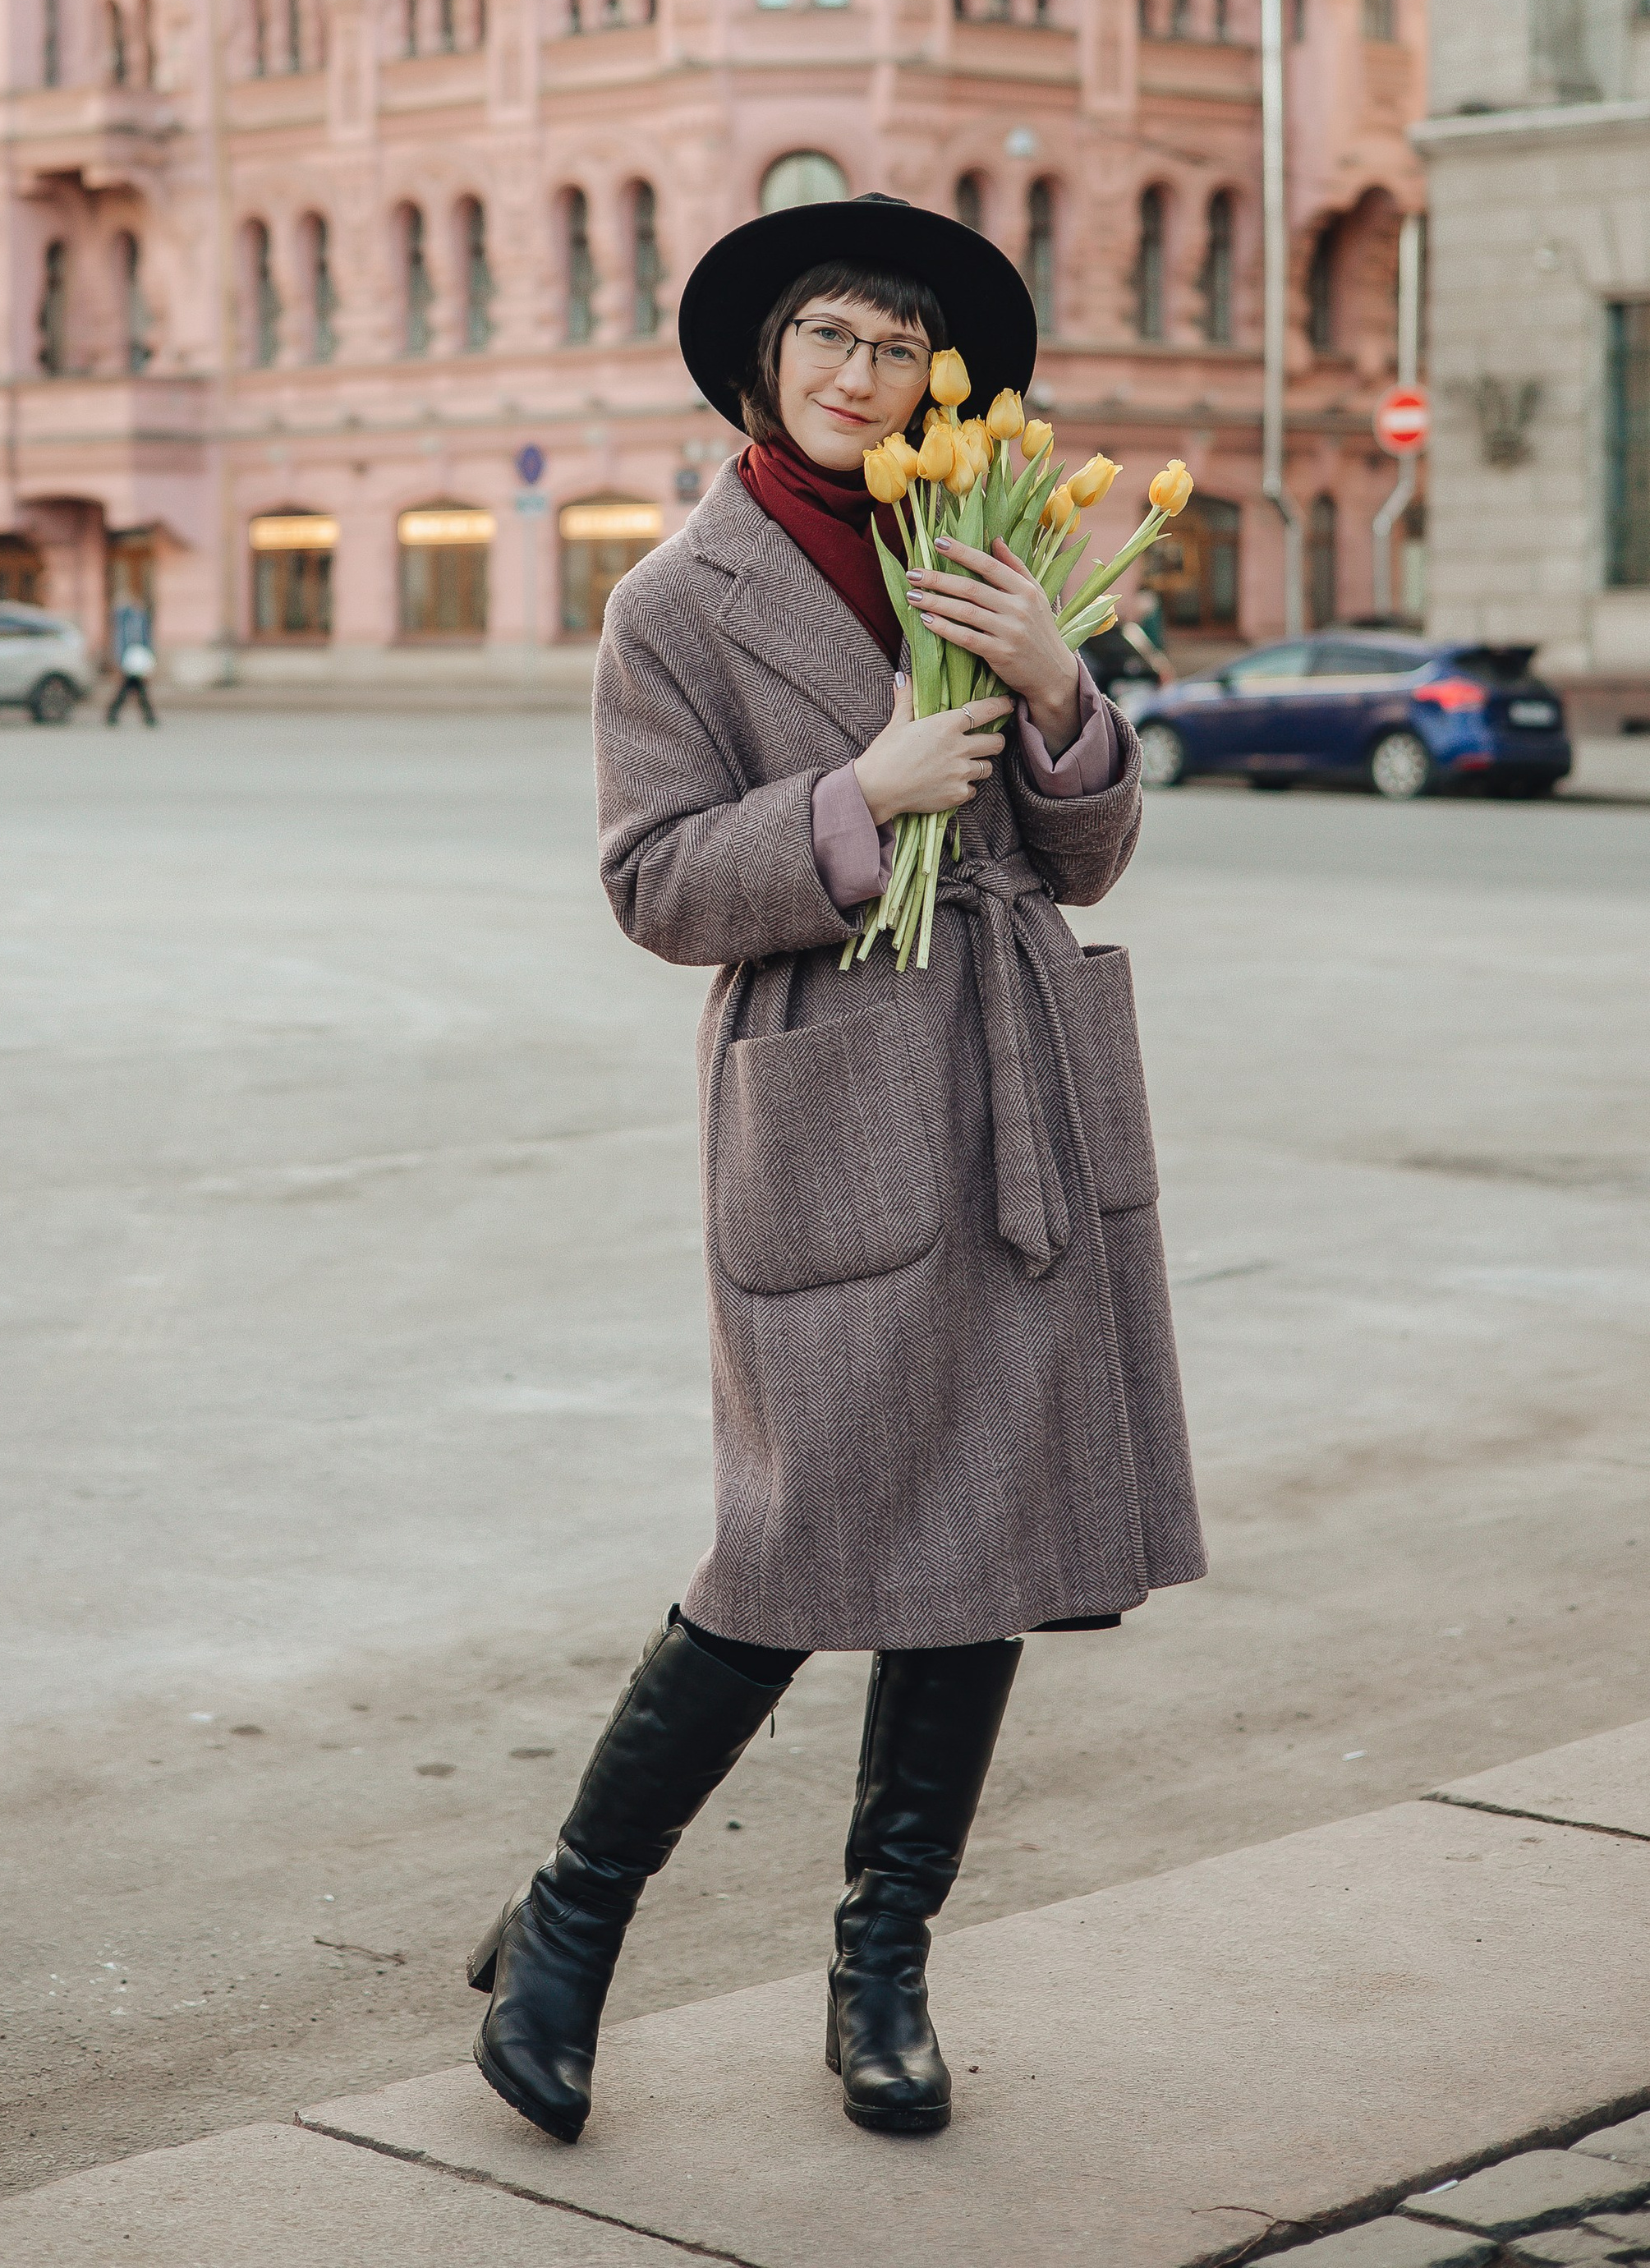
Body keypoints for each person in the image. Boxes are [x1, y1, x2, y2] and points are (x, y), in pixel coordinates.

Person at [467, 190, 1204, 2149]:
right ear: (760, 363)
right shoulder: (669, 604)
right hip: (822, 1083)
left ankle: (880, 1967)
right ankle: (567, 1920)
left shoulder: (973, 549)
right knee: (789, 1549)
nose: (862, 374)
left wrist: (1055, 688)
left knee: (985, 1542)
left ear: (932, 387)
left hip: (1006, 1077)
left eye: (896, 349)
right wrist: (848, 799)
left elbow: (1076, 855)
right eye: (829, 340)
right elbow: (647, 884)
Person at [106, 592, 158, 726]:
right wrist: (119, 660)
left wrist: (149, 658)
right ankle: (148, 717)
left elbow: (147, 640)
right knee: (133, 689)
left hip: (138, 658)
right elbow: (121, 641)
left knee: (131, 689)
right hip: (129, 658)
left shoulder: (142, 618)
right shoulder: (124, 619)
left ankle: (114, 714)